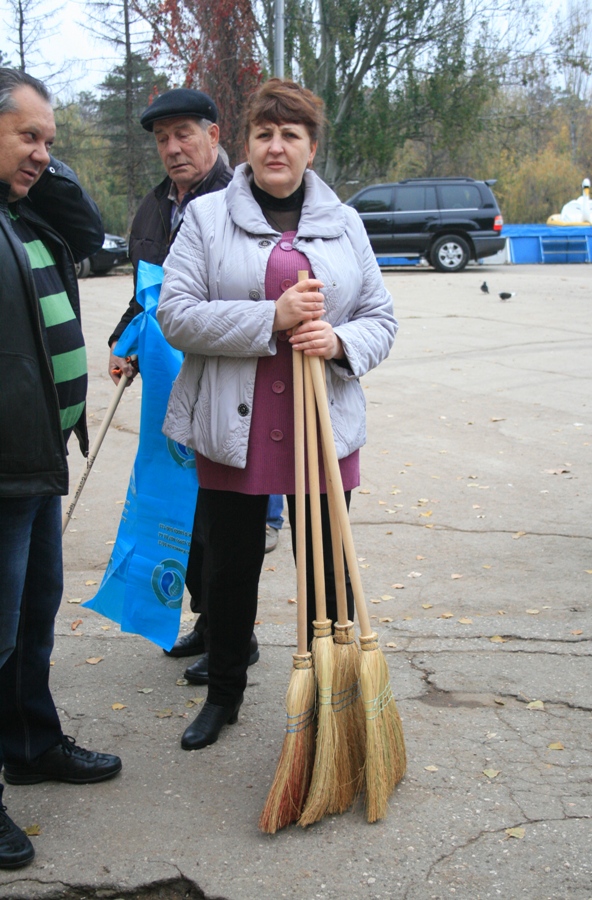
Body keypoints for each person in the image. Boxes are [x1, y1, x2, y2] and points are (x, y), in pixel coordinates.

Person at [157, 78, 398, 751]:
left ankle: (331, 694)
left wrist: (340, 342)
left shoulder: (343, 222)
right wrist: (273, 318)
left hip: (322, 428)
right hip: (233, 429)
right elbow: (175, 314)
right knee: (228, 572)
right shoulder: (207, 219)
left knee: (327, 571)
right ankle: (224, 693)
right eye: (264, 133)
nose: (275, 146)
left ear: (310, 147)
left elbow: (380, 317)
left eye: (290, 135)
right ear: (246, 143)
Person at [105, 87, 280, 680]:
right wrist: (125, 341)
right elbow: (145, 294)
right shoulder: (155, 207)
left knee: (225, 513)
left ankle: (239, 636)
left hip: (229, 377)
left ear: (214, 135)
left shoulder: (242, 200)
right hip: (168, 376)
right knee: (188, 509)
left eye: (184, 134)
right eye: (162, 139)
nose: (173, 148)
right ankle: (211, 623)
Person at [0, 68, 122, 870]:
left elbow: (90, 236)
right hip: (3, 471)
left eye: (53, 140)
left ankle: (30, 743)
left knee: (33, 617)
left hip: (34, 463)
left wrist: (36, 163)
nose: (44, 154)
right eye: (29, 136)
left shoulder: (23, 211)